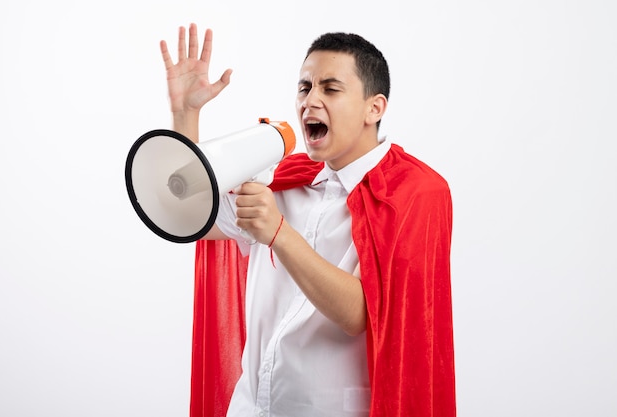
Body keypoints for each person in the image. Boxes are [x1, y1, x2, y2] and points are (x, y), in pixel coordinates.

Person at [159, 23, 456, 417]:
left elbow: (361, 315)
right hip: (251, 407)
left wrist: (279, 234)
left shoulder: (414, 193)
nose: (310, 101)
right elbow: (188, 215)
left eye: (330, 89)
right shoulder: (280, 178)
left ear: (375, 107)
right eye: (304, 88)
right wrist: (185, 115)